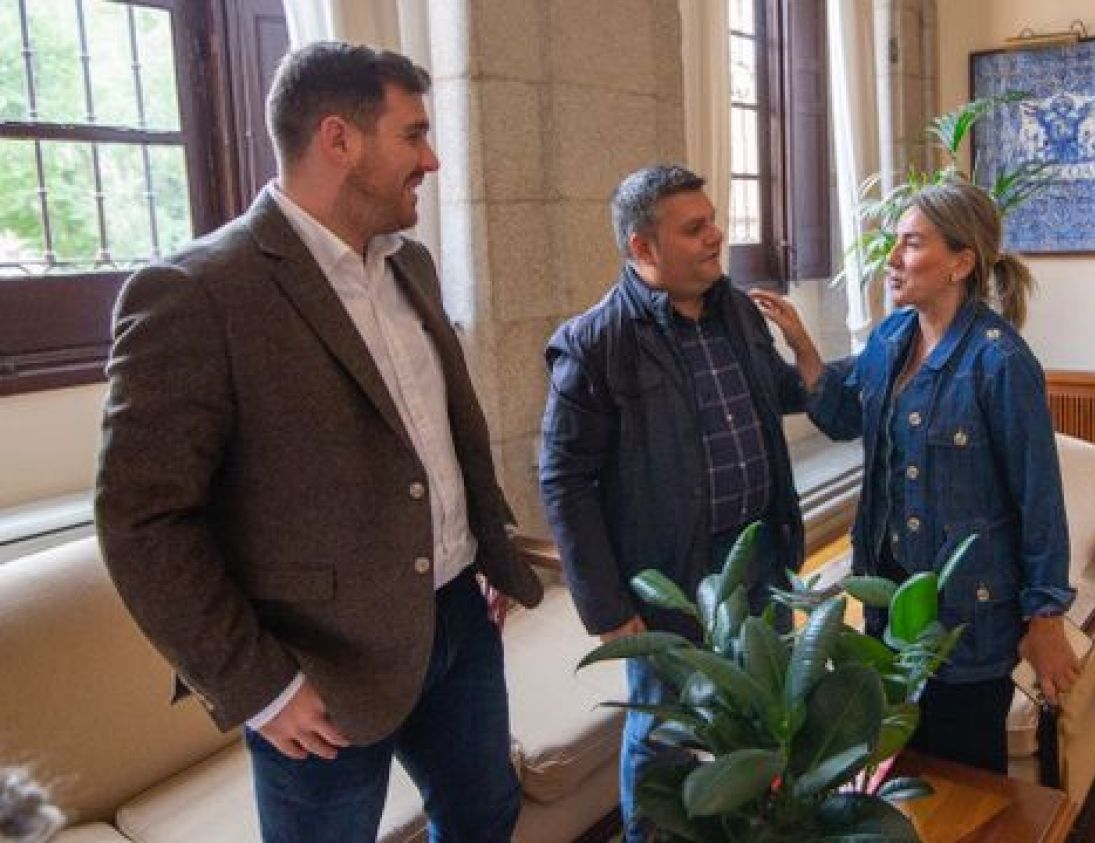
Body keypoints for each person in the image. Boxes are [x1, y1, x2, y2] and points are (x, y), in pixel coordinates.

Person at [95, 41, 543, 841]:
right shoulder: (194, 293)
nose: (432, 159)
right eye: (413, 135)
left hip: (458, 623)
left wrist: (485, 540)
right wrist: (259, 687)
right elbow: (143, 522)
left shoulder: (414, 267)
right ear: (339, 139)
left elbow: (441, 433)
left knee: (485, 814)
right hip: (318, 672)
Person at [751, 181, 1079, 773]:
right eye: (894, 244)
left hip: (968, 617)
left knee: (967, 779)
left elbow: (1040, 500)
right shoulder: (891, 337)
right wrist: (801, 343)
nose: (893, 259)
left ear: (960, 262)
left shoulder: (1000, 361)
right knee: (905, 762)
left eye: (910, 243)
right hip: (888, 601)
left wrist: (1046, 619)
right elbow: (844, 415)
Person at [539, 164, 808, 842]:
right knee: (663, 734)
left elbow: (778, 392)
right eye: (695, 228)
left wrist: (810, 354)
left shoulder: (738, 310)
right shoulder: (594, 344)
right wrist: (606, 607)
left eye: (713, 218)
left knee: (764, 711)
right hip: (671, 578)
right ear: (643, 249)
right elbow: (563, 482)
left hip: (762, 559)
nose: (717, 235)